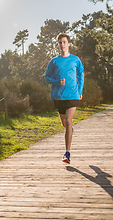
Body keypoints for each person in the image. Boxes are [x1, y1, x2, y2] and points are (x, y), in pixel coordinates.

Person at [45, 33, 84, 164]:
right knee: (65, 124)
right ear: (58, 45)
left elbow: (81, 75)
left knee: (68, 121)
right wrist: (57, 82)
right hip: (59, 97)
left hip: (72, 95)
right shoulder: (54, 61)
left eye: (64, 42)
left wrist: (80, 90)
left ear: (69, 44)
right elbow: (46, 77)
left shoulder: (75, 60)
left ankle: (67, 153)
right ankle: (70, 132)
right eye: (60, 42)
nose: (62, 44)